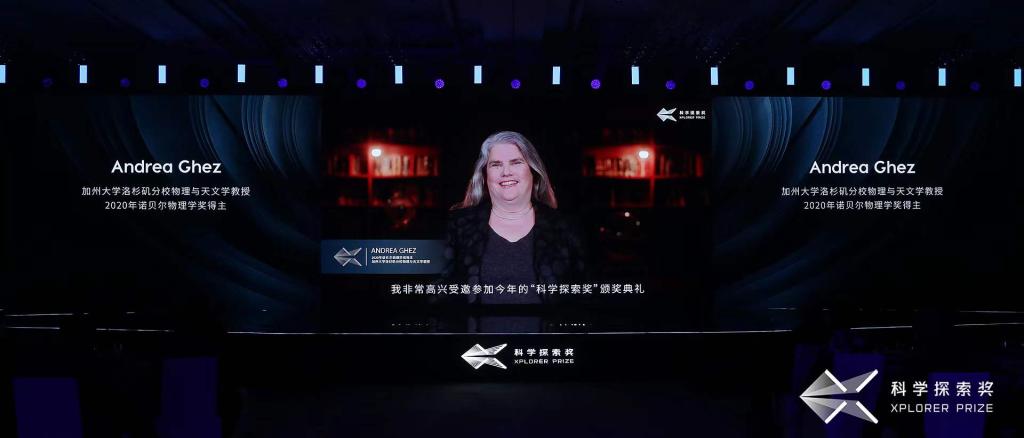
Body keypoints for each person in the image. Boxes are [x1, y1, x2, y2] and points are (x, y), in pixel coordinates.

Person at [440, 131, 585, 305]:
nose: (506, 172)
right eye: (496, 165)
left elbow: (586, 299)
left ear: (533, 170)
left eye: (516, 163)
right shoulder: (457, 226)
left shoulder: (565, 227)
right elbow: (436, 295)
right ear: (485, 175)